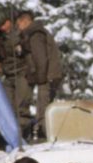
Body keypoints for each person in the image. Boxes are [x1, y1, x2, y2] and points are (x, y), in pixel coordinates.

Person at [17, 11, 63, 140]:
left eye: (19, 24)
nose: (18, 27)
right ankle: (44, 132)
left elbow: (41, 59)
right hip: (49, 75)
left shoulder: (35, 35)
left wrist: (39, 79)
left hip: (47, 76)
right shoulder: (35, 33)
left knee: (43, 107)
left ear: (25, 21)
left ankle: (44, 134)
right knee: (44, 106)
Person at [0, 12, 32, 118]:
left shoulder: (21, 29)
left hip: (22, 73)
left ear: (9, 20)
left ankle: (24, 132)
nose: (2, 28)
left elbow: (30, 48)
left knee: (21, 108)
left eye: (3, 24)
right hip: (8, 74)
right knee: (7, 108)